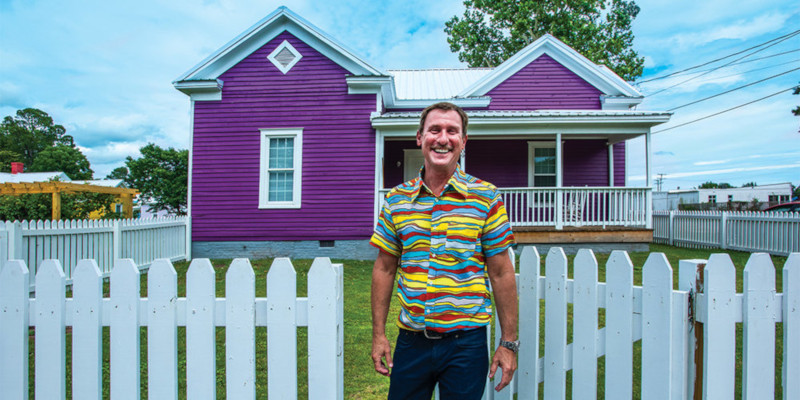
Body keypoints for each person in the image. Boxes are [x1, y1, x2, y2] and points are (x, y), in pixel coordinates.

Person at [370, 102, 519, 399]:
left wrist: (509, 343)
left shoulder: (486, 198)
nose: (442, 138)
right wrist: (378, 335)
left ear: (463, 141)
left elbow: (501, 272)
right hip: (411, 343)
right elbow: (384, 268)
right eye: (434, 130)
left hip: (466, 344)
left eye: (452, 131)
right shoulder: (396, 201)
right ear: (419, 137)